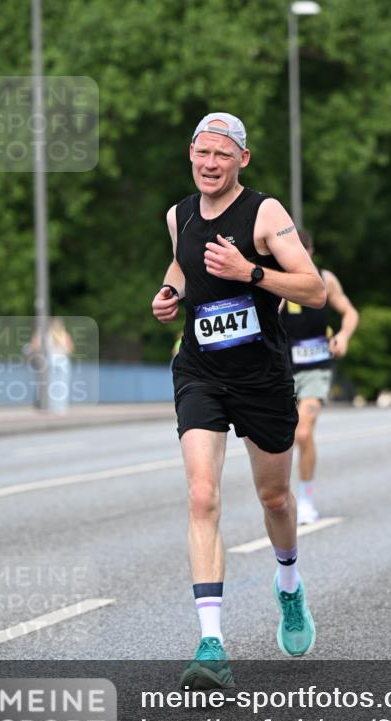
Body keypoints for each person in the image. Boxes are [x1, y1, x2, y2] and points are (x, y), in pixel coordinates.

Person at [151, 113, 326, 688]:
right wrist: (172, 288)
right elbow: (183, 258)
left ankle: (289, 585)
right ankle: (211, 644)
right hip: (200, 371)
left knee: (274, 498)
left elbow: (314, 288)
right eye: (202, 152)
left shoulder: (265, 214)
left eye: (222, 154)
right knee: (202, 495)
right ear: (191, 154)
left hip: (261, 379)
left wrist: (250, 271)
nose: (210, 163)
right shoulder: (178, 216)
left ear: (242, 160)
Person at [280, 228, 359, 524]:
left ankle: (306, 499)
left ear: (311, 252)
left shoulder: (325, 279)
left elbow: (349, 312)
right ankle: (280, 500)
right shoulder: (273, 279)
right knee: (279, 440)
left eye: (302, 252)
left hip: (315, 368)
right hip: (281, 370)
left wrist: (344, 335)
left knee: (303, 431)